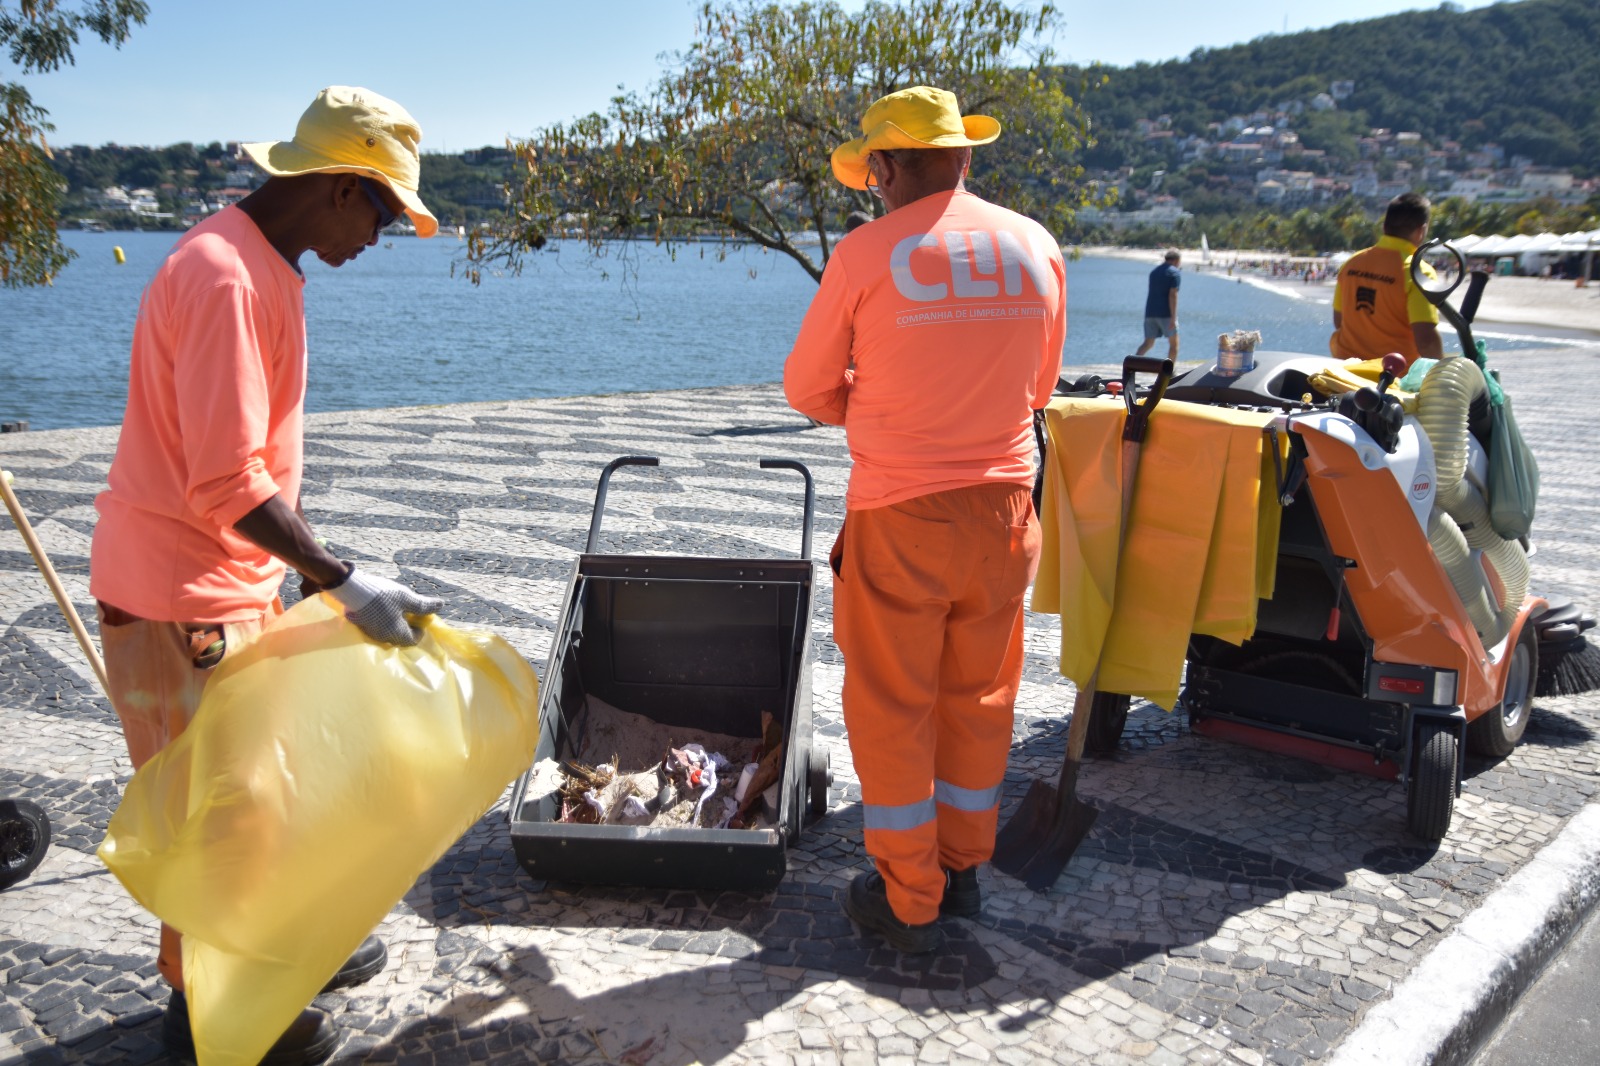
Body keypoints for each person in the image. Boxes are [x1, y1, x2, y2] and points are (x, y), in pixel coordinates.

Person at [89, 86, 445, 1066]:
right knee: (224, 819)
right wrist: (341, 578)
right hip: (180, 597)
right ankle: (210, 1014)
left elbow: (248, 468)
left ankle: (283, 946)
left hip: (221, 584)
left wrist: (296, 576)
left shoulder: (264, 266)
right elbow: (226, 483)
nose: (383, 236)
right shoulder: (226, 279)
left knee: (266, 794)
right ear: (335, 187)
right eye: (380, 211)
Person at [784, 86, 1065, 954]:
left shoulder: (867, 255)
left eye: (873, 172)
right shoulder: (1037, 246)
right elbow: (1040, 390)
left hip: (901, 514)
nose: (873, 188)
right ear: (965, 156)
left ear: (888, 166)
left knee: (893, 704)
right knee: (979, 699)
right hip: (1007, 512)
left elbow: (807, 388)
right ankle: (964, 869)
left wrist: (878, 411)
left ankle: (909, 895)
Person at [1330, 192, 1443, 368]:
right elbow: (1426, 342)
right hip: (1392, 380)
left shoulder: (1351, 264)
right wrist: (1445, 377)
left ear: (1384, 227)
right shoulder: (1418, 272)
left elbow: (1339, 321)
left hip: (1346, 372)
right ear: (1421, 231)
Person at [1135, 249, 1181, 358]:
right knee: (1174, 345)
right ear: (1177, 260)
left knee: (1148, 343)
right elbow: (1172, 295)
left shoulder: (1154, 272)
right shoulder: (1174, 272)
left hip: (1150, 312)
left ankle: (1132, 367)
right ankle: (1169, 373)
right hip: (1166, 314)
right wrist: (1173, 318)